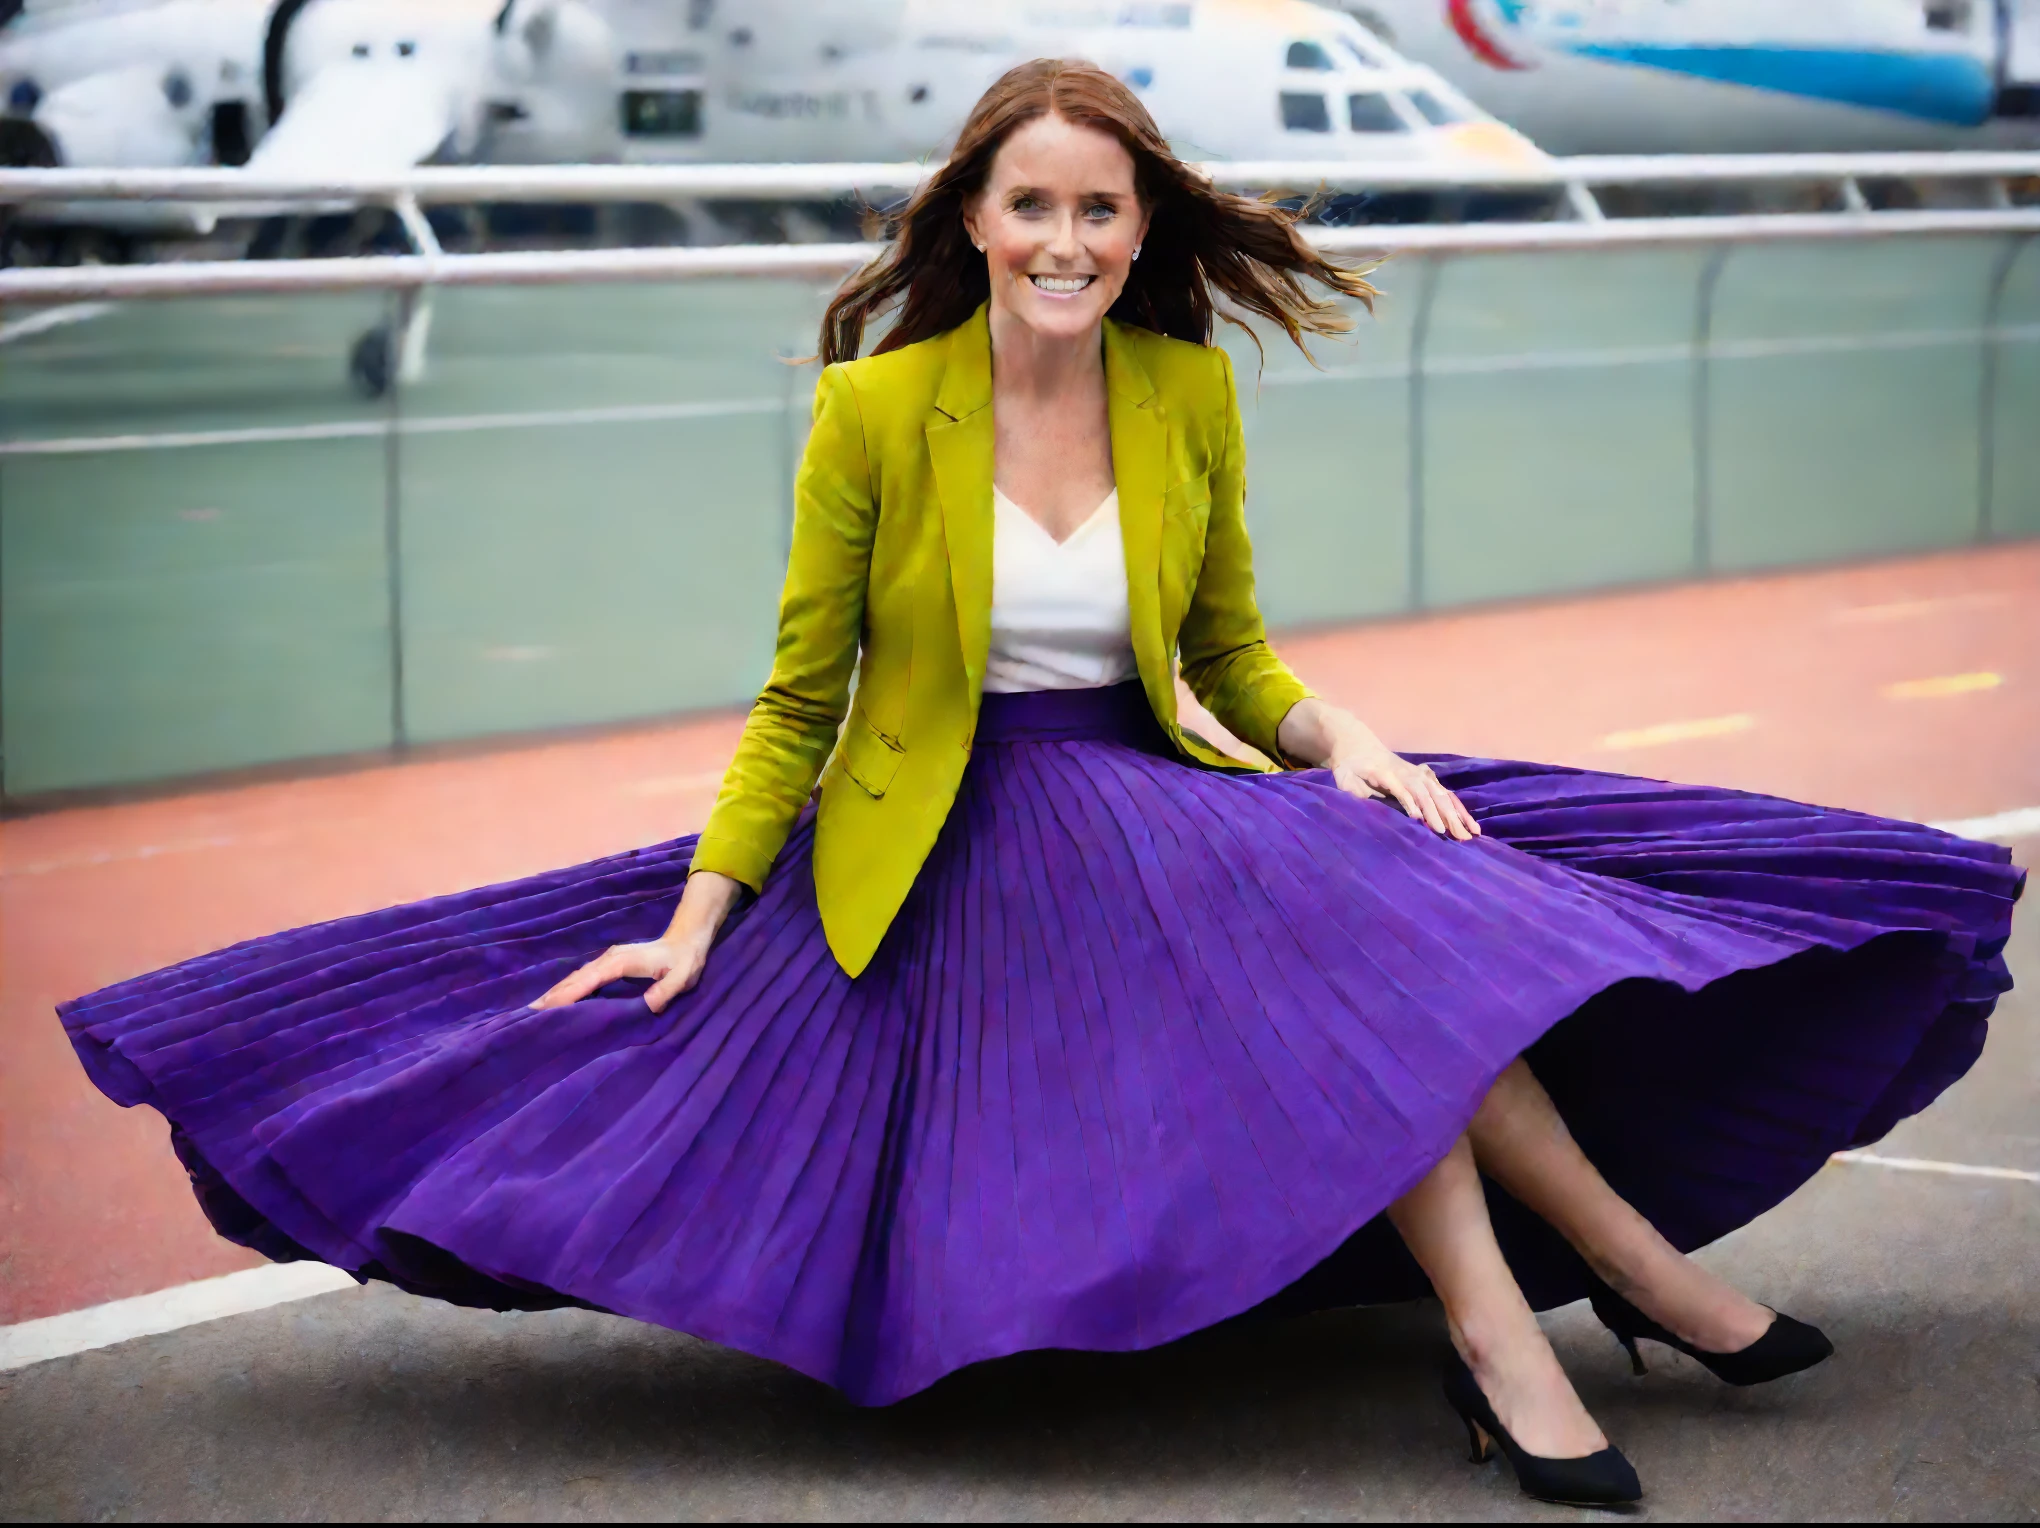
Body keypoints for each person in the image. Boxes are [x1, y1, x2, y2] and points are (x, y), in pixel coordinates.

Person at [61, 59, 2021, 1510]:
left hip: (1159, 793)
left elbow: (1234, 662)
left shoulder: (1187, 390)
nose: (1070, 241)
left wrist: (1355, 740)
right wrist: (692, 922)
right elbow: (798, 695)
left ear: (1140, 227)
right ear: (974, 223)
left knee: (1377, 898)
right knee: (1348, 934)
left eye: (1102, 209)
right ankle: (1600, 1288)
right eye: (1034, 208)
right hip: (965, 826)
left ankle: (1548, 1316)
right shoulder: (870, 409)